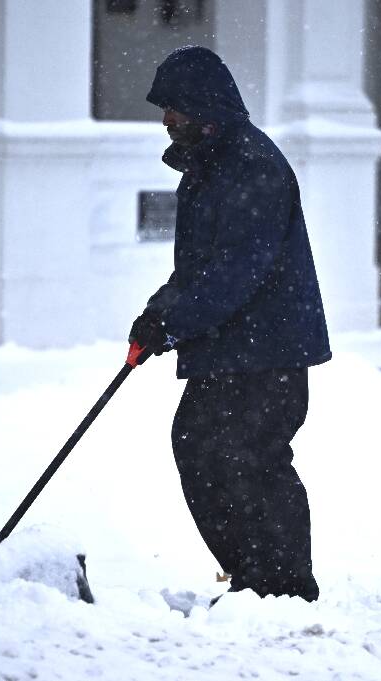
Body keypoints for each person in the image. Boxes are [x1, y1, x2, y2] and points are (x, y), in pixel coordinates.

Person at [128, 46, 331, 603]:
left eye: (173, 107)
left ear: (204, 106)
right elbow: (198, 267)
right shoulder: (212, 166)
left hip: (266, 351)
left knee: (249, 460)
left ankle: (282, 588)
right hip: (235, 348)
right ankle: (256, 581)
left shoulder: (251, 166)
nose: (165, 119)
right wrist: (157, 315)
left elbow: (234, 271)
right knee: (205, 451)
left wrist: (175, 324)